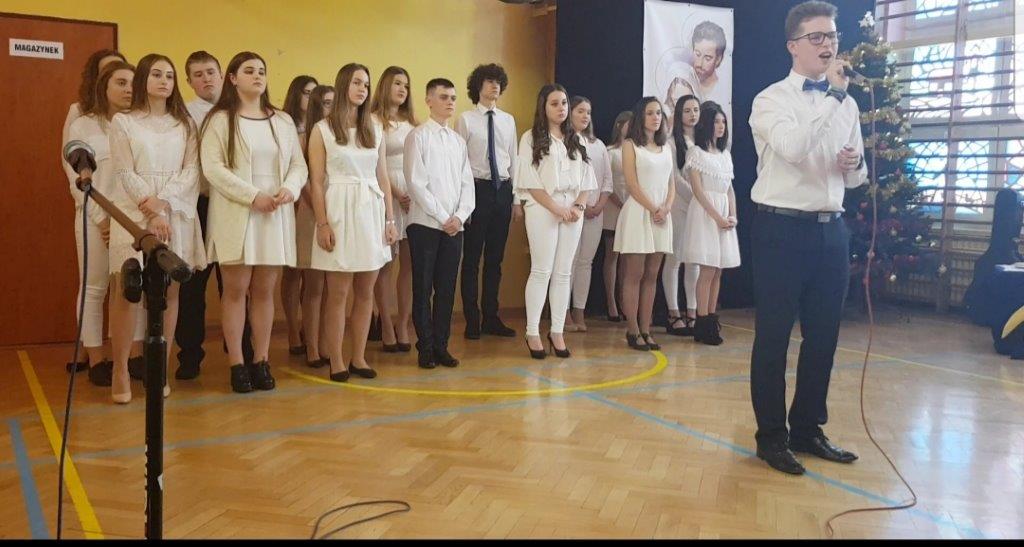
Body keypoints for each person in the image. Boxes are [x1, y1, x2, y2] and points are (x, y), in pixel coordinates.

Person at [748, 0, 867, 475]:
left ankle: (807, 428)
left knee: (823, 338)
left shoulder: (848, 104)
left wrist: (854, 164)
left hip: (831, 230)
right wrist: (832, 98)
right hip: (780, 229)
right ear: (793, 46)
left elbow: (856, 177)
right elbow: (794, 149)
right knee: (774, 337)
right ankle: (771, 437)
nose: (828, 45)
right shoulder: (770, 99)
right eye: (817, 37)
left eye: (832, 36)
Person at [201, 52, 308, 393]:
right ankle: (237, 363)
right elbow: (213, 168)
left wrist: (289, 189)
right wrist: (252, 196)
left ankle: (261, 360)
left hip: (273, 213)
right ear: (233, 78)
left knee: (264, 291)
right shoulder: (220, 119)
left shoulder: (283, 121)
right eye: (249, 71)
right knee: (235, 291)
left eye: (262, 70)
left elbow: (298, 165)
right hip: (237, 212)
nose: (257, 76)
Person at [109, 53, 208, 403]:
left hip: (174, 210)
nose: (164, 81)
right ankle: (120, 369)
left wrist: (162, 203)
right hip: (133, 213)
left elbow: (191, 171)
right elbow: (124, 171)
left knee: (170, 293)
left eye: (169, 75)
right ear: (143, 79)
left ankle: (158, 369)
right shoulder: (123, 122)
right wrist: (148, 206)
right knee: (127, 291)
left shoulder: (185, 124)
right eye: (156, 74)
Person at [309, 63, 399, 382]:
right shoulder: (322, 129)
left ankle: (358, 357)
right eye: (357, 82)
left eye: (366, 84)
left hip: (370, 211)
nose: (362, 89)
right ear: (343, 84)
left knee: (366, 290)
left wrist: (390, 219)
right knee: (338, 293)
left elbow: (383, 177)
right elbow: (316, 181)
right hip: (338, 210)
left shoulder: (375, 128)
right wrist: (322, 223)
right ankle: (336, 359)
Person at [65, 60, 146, 389]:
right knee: (95, 287)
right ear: (104, 86)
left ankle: (133, 356)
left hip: (131, 219)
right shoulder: (83, 124)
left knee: (131, 288)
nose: (128, 89)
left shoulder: (138, 123)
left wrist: (129, 219)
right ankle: (97, 359)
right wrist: (101, 219)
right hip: (93, 217)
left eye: (132, 83)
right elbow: (75, 177)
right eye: (120, 83)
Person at [175, 49, 255, 380]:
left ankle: (241, 352)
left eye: (210, 72)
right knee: (192, 284)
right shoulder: (184, 115)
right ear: (189, 81)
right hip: (200, 205)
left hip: (236, 205)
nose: (206, 79)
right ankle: (189, 355)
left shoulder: (243, 110)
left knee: (235, 284)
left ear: (223, 75)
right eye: (198, 74)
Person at [517, 84, 595, 359]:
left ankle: (558, 331)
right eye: (555, 103)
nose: (561, 108)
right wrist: (556, 208)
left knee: (563, 273)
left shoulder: (578, 139)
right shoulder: (530, 138)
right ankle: (532, 332)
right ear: (543, 107)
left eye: (564, 103)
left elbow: (587, 180)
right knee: (541, 270)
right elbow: (529, 181)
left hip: (572, 209)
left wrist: (578, 206)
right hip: (543, 207)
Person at [403, 78, 475, 369]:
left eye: (453, 98)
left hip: (454, 227)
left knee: (446, 289)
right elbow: (416, 183)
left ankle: (441, 346)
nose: (450, 102)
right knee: (423, 288)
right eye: (444, 97)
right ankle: (425, 347)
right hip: (425, 224)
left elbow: (467, 183)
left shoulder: (458, 141)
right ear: (429, 100)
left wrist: (460, 216)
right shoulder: (418, 136)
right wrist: (443, 216)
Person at [455, 63, 519, 339]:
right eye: (489, 81)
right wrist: (463, 201)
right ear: (478, 86)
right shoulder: (466, 119)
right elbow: (459, 162)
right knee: (471, 259)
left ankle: (491, 317)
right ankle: (472, 319)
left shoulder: (508, 120)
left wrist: (516, 199)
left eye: (498, 82)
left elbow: (513, 159)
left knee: (495, 258)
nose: (495, 86)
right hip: (476, 190)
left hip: (502, 190)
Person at [614, 97, 674, 352]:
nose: (656, 117)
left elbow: (671, 184)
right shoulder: (630, 145)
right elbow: (632, 184)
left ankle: (646, 329)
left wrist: (666, 208)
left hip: (661, 215)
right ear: (641, 117)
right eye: (650, 113)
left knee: (652, 276)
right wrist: (653, 208)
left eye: (658, 113)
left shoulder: (666, 146)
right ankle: (632, 330)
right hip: (640, 212)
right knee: (634, 274)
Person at [681, 101, 739, 345]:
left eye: (723, 121)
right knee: (707, 269)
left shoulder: (725, 155)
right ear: (706, 124)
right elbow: (698, 190)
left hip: (723, 214)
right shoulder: (696, 153)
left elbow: (730, 190)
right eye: (716, 121)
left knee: (718, 270)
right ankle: (701, 321)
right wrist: (717, 217)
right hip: (706, 214)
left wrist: (732, 216)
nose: (721, 126)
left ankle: (712, 318)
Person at [370, 66, 417, 353]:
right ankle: (385, 323)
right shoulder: (373, 120)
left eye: (406, 85)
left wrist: (412, 193)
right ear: (385, 85)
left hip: (412, 198)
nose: (402, 89)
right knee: (385, 266)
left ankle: (403, 324)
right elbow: (375, 164)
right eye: (397, 83)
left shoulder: (412, 123)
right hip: (386, 195)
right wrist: (397, 193)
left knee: (409, 266)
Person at [565, 96, 612, 333]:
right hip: (572, 211)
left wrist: (600, 205)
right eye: (580, 111)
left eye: (588, 112)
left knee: (585, 262)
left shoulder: (598, 145)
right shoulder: (564, 141)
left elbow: (607, 180)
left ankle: (579, 311)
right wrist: (580, 206)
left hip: (595, 211)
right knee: (568, 262)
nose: (585, 116)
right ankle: (563, 312)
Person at [296, 84, 335, 368]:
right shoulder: (304, 138)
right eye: (326, 103)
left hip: (336, 212)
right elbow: (305, 182)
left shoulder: (339, 136)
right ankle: (310, 346)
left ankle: (324, 342)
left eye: (335, 103)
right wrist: (321, 210)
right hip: (312, 214)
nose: (332, 108)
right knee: (314, 287)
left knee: (332, 287)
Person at [280, 74, 319, 354]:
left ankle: (311, 328)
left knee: (314, 274)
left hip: (317, 207)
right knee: (293, 272)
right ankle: (293, 330)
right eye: (307, 93)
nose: (311, 98)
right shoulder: (285, 125)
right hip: (292, 203)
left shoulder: (322, 126)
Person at [663, 95, 701, 336]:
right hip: (680, 204)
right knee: (674, 258)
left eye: (696, 110)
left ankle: (693, 311)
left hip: (700, 207)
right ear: (678, 114)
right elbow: (675, 177)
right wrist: (697, 195)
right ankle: (673, 312)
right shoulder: (671, 142)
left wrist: (703, 199)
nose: (692, 114)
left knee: (694, 259)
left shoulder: (703, 141)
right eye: (687, 110)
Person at [663, 20, 729, 122]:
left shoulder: (721, 90)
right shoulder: (682, 79)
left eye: (707, 58)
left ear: (718, 59)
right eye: (697, 54)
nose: (699, 64)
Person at [602, 112, 632, 322]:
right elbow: (607, 181)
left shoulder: (637, 151)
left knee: (627, 259)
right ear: (620, 125)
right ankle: (611, 302)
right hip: (613, 207)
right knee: (612, 255)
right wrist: (620, 203)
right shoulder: (610, 151)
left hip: (632, 207)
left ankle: (625, 301)